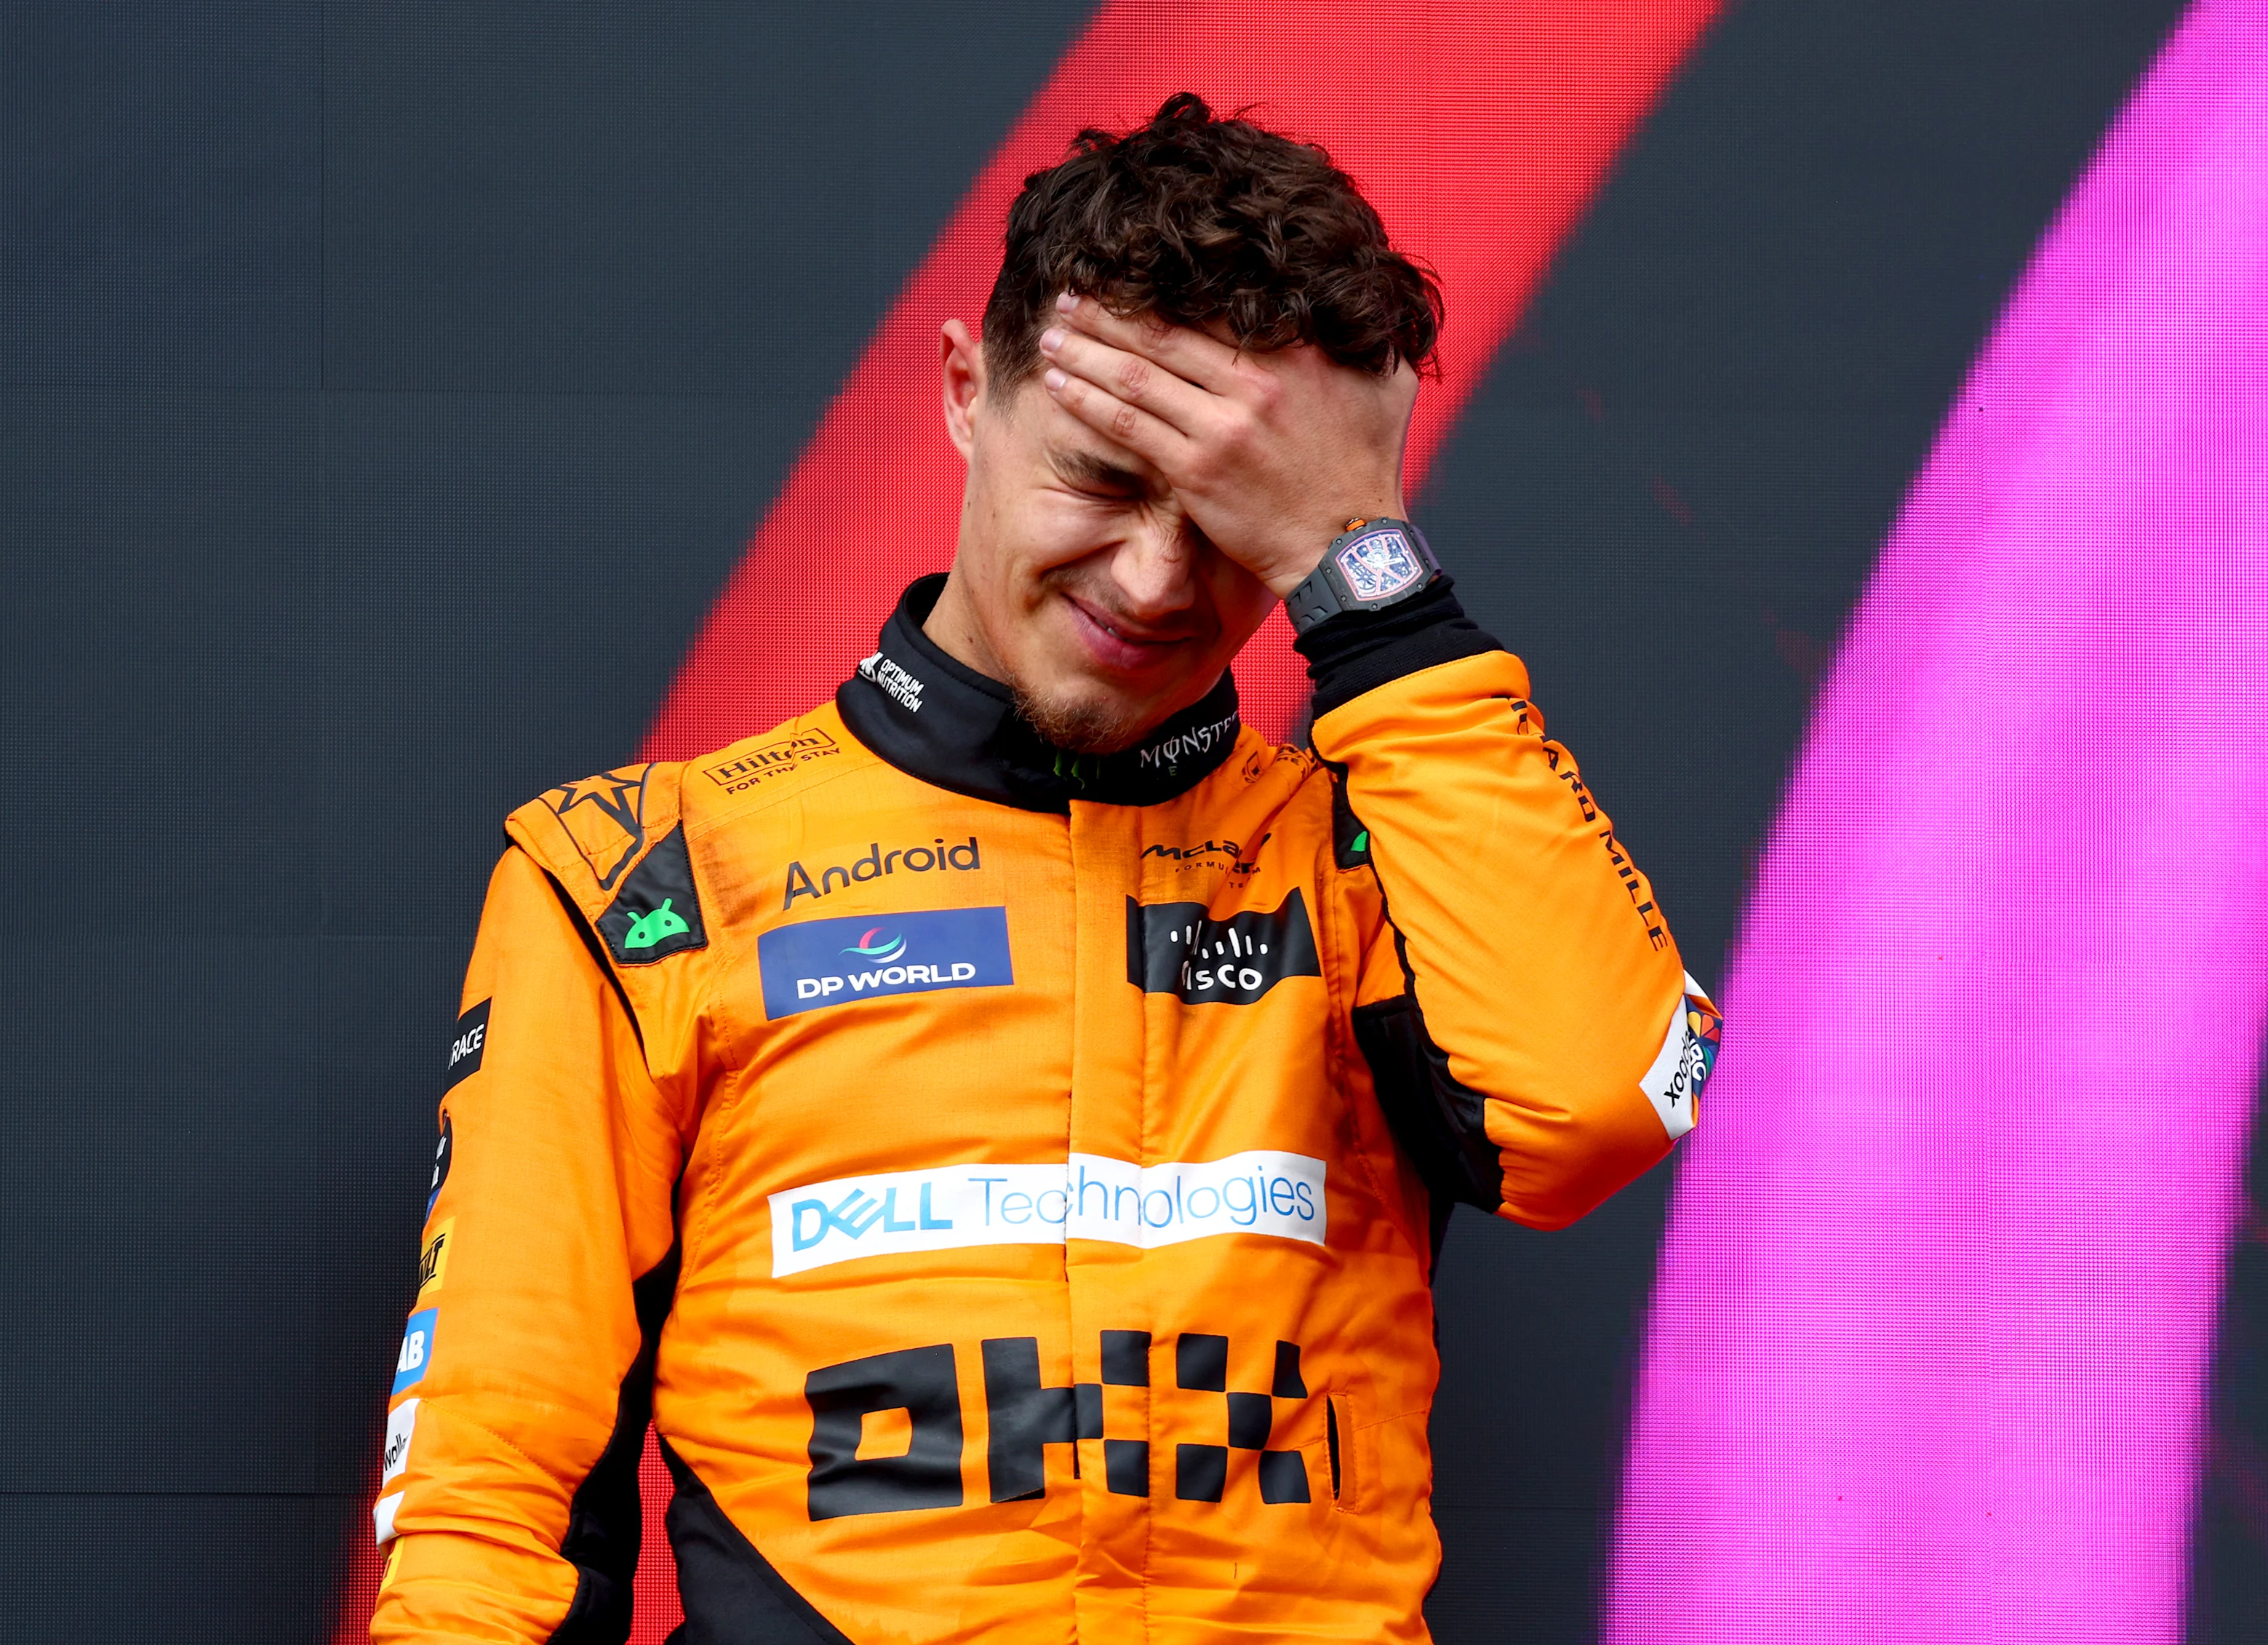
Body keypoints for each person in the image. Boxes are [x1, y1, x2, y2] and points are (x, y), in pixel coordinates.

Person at [370, 92, 1718, 1644]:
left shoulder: (1378, 854)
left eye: (1228, 516)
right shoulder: (640, 873)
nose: (1154, 579)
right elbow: (488, 1505)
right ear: (964, 389)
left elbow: (1598, 1109)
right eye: (1099, 479)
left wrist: (1368, 574)